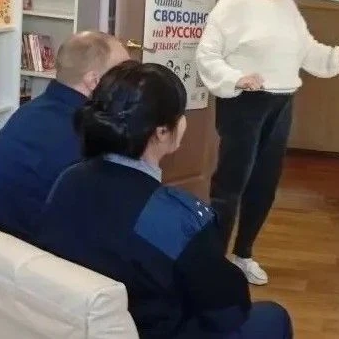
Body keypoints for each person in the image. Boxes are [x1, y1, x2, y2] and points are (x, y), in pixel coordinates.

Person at [36, 61, 292, 339]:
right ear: (161, 132)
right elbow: (229, 312)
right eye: (181, 114)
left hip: (77, 325)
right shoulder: (178, 218)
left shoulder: (68, 179)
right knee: (273, 317)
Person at [195, 0, 339, 285]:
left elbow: (306, 50)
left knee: (265, 184)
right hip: (245, 104)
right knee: (231, 184)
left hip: (281, 102)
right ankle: (212, 262)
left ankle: (243, 254)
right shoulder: (234, 3)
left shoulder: (286, 4)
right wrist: (236, 78)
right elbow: (207, 55)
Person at [0, 31, 129, 243]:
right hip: (45, 253)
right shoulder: (88, 133)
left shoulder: (25, 113)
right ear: (94, 81)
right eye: (123, 75)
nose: (130, 83)